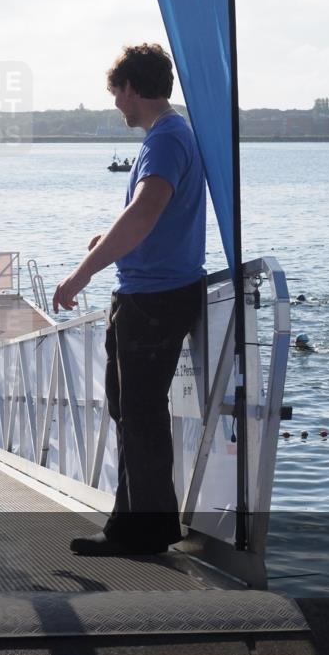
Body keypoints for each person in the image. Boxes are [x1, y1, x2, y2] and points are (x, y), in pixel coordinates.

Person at [53, 43, 206, 556]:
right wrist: (112, 242)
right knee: (131, 410)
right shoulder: (171, 135)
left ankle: (144, 531)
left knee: (139, 412)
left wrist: (81, 274)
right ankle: (135, 525)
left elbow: (146, 210)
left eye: (117, 93)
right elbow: (151, 218)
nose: (117, 103)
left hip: (154, 298)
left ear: (134, 88)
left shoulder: (165, 139)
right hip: (153, 291)